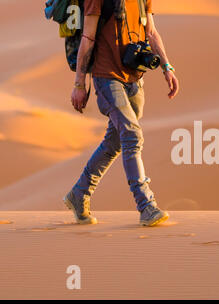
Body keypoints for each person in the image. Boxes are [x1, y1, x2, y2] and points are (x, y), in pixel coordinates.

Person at [64, 0, 179, 226]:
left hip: (134, 78)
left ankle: (79, 194)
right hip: (106, 77)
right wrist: (79, 84)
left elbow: (151, 32)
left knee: (115, 142)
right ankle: (146, 206)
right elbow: (87, 39)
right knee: (131, 135)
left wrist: (167, 68)